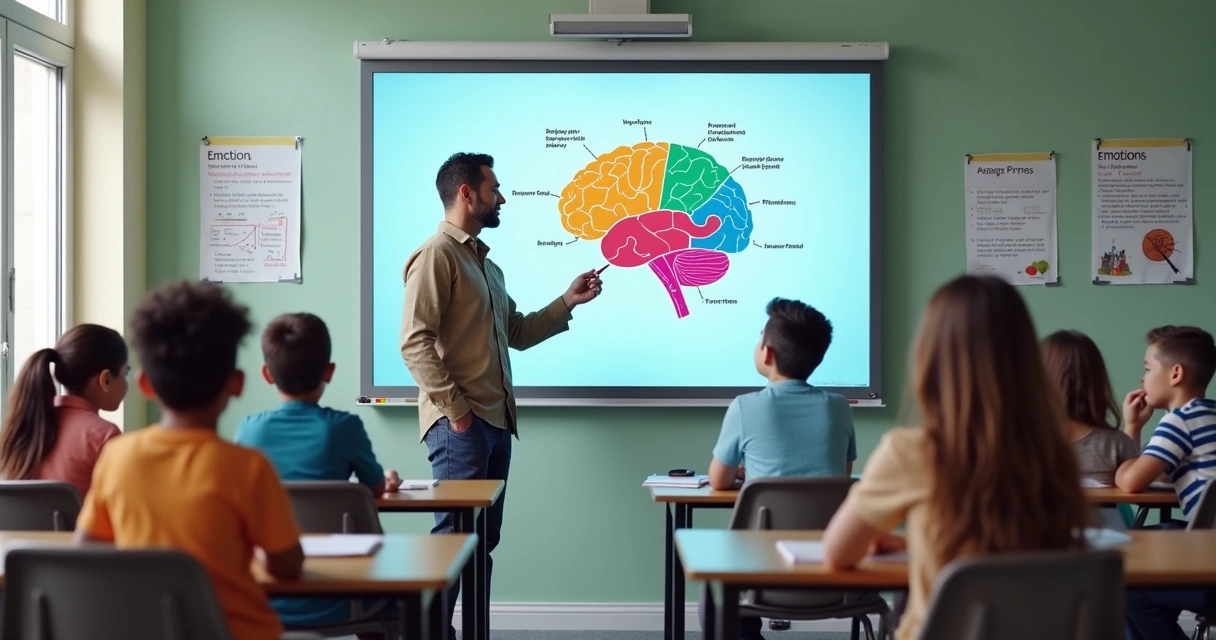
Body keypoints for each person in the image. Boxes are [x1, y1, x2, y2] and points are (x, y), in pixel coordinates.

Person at [400, 152, 603, 638]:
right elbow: (414, 341)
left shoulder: (488, 267)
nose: (502, 197)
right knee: (454, 539)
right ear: (467, 194)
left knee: (481, 541)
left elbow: (516, 331)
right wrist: (459, 413)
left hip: (495, 424)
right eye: (495, 189)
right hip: (462, 427)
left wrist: (567, 301)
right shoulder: (437, 255)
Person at [821, 274, 1090, 640]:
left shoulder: (909, 451)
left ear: (930, 358)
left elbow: (838, 552)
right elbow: (1013, 555)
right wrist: (922, 541)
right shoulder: (1053, 452)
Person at [75, 281, 304, 640]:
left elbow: (87, 553)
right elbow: (288, 566)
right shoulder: (248, 468)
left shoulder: (116, 458)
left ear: (146, 385)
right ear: (236, 384)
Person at [236, 312, 402, 635]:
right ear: (329, 371)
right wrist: (389, 476)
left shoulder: (248, 431)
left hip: (265, 596)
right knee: (399, 600)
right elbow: (377, 489)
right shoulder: (344, 428)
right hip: (346, 597)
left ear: (267, 375)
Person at [701, 297, 856, 639]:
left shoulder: (745, 407)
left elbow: (718, 480)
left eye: (759, 338)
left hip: (760, 575)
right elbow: (842, 475)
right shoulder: (840, 407)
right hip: (834, 571)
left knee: (712, 588)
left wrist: (747, 472)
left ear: (766, 354)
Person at [1114, 325, 1216, 639]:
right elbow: (1159, 471)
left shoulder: (1179, 420)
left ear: (1175, 374)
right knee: (1158, 534)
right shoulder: (1209, 415)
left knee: (1127, 587)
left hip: (1210, 577)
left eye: (1147, 368)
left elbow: (1130, 481)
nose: (1142, 379)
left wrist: (1131, 427)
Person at [0, 324, 127, 497]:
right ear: (105, 380)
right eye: (125, 373)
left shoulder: (23, 426)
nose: (127, 384)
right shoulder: (104, 436)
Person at [1041, 330, 1141, 487]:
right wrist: (1133, 427)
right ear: (1098, 382)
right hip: (1103, 513)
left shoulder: (1024, 444)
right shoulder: (1117, 443)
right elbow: (1137, 476)